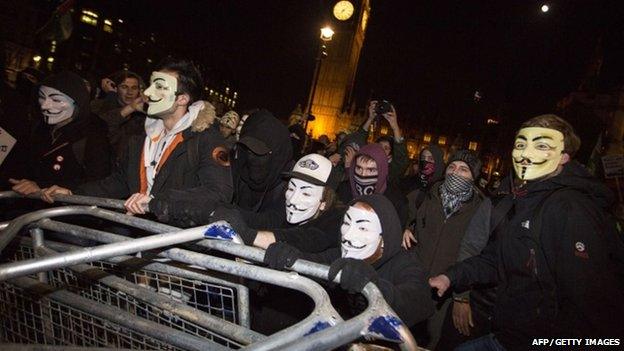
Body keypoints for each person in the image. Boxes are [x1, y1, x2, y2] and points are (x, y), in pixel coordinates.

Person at [429, 114, 624, 351]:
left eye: (541, 146)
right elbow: (497, 258)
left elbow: (594, 306)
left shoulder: (571, 209)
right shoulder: (526, 200)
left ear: (564, 156)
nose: (525, 154)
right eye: (521, 145)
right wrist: (453, 276)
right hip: (509, 335)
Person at [38, 58, 232, 221]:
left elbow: (218, 193)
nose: (147, 93)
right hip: (138, 237)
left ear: (182, 99)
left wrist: (157, 202)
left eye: (159, 87)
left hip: (177, 247)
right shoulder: (141, 136)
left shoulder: (207, 139)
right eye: (150, 85)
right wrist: (73, 193)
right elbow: (119, 181)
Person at [262, 194, 434, 329]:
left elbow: (417, 301)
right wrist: (289, 256)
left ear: (385, 238)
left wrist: (372, 287)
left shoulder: (406, 264)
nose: (348, 235)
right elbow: (314, 262)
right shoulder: (339, 255)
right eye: (346, 223)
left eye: (363, 227)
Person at [402, 150, 490, 349]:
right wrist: (404, 228)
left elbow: (478, 256)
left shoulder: (482, 210)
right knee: (400, 335)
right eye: (452, 167)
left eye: (464, 169)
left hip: (446, 293)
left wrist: (462, 296)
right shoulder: (423, 196)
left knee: (432, 340)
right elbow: (403, 219)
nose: (455, 173)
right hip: (413, 282)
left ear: (474, 177)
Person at [9, 71, 112, 197]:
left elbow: (99, 182)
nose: (45, 105)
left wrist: (42, 186)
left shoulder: (94, 134)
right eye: (42, 97)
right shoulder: (38, 128)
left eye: (56, 99)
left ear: (78, 102)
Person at [337, 143, 408, 225]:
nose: (363, 175)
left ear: (382, 171)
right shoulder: (343, 190)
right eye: (359, 168)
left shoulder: (395, 201)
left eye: (371, 170)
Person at [91, 70, 146, 158]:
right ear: (115, 88)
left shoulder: (142, 117)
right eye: (124, 87)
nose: (129, 92)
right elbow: (99, 128)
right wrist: (129, 108)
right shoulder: (97, 106)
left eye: (134, 88)